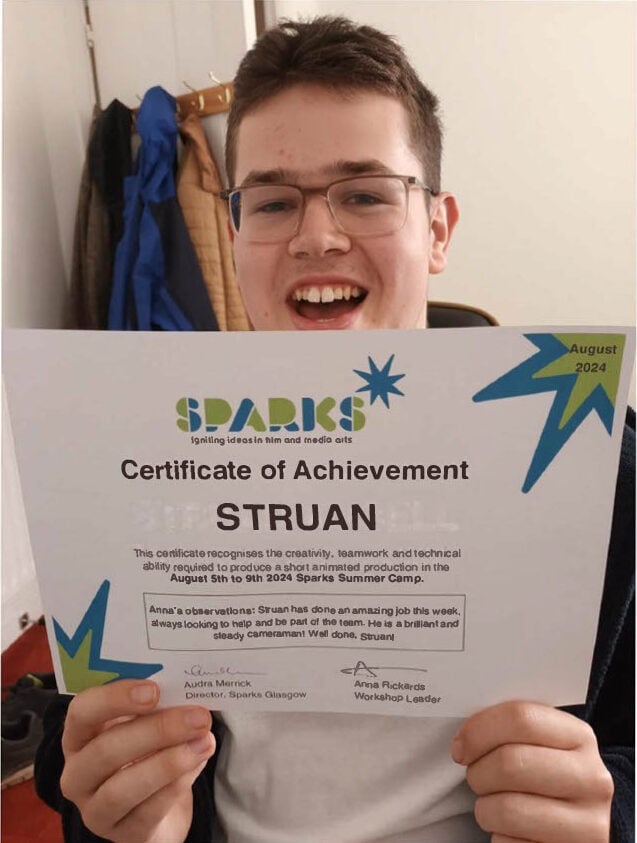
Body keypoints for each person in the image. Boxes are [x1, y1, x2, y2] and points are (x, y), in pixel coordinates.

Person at [35, 16, 633, 843]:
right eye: (274, 201)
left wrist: (614, 815)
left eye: (364, 194)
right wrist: (113, 816)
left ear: (437, 229)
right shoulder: (131, 455)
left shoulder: (596, 462)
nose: (318, 235)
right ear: (236, 234)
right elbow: (89, 764)